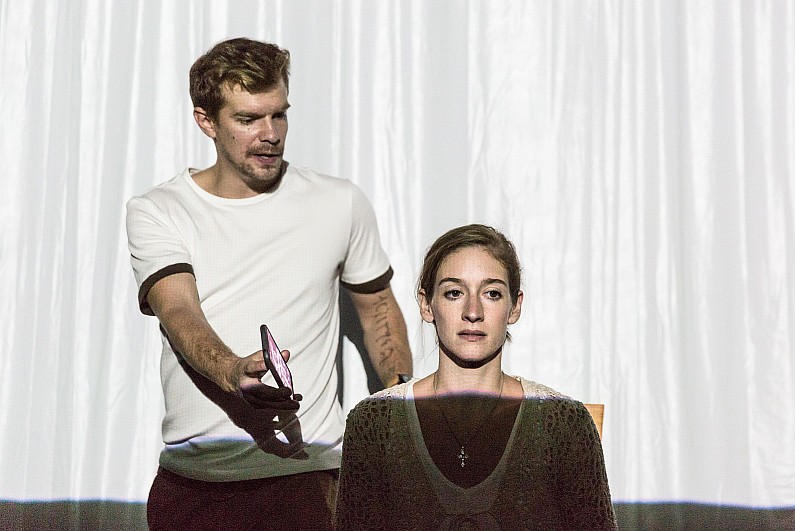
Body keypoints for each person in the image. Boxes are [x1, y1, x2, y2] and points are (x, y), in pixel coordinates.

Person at [125, 37, 412, 531]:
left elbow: (378, 308)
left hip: (310, 481)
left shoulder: (339, 202)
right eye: (248, 119)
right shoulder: (159, 210)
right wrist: (231, 370)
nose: (270, 134)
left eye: (279, 115)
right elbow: (178, 311)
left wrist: (401, 407)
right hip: (198, 483)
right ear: (206, 121)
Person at [336, 224, 617, 530]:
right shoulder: (375, 422)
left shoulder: (564, 423)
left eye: (492, 293)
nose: (473, 311)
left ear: (515, 307)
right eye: (454, 293)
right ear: (426, 304)